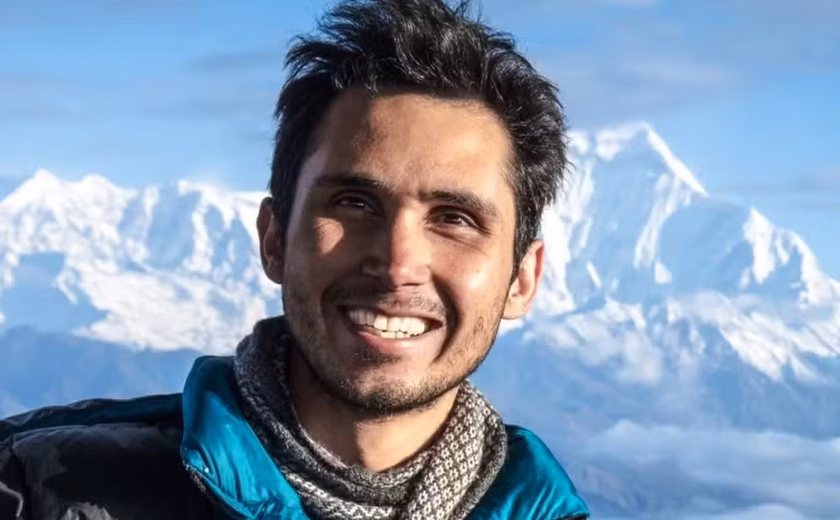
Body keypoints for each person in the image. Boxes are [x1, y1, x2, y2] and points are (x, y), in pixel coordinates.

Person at [0, 0, 590, 518]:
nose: (398, 262)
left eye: (454, 218)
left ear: (523, 278)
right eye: (355, 203)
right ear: (274, 238)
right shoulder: (36, 488)